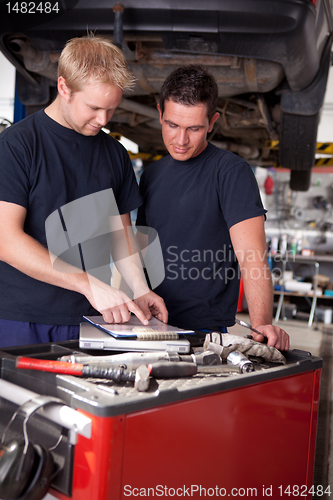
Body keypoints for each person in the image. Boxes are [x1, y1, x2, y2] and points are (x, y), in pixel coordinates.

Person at [0, 35, 167, 348]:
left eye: (112, 109)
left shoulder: (115, 154)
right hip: (22, 319)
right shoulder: (17, 146)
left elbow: (121, 235)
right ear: (64, 88)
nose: (103, 120)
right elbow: (5, 240)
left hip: (93, 319)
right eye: (94, 107)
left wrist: (140, 288)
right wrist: (89, 285)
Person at [136, 65, 289, 351]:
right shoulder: (151, 175)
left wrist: (262, 322)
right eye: (172, 125)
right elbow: (140, 250)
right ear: (160, 114)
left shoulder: (231, 173)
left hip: (203, 334)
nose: (181, 141)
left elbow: (252, 257)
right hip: (148, 324)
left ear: (212, 122)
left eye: (194, 128)